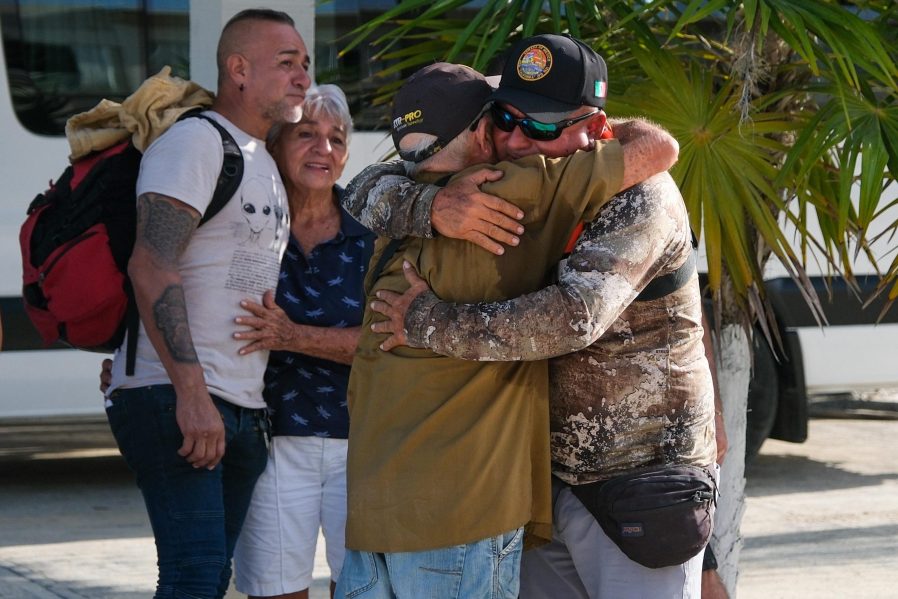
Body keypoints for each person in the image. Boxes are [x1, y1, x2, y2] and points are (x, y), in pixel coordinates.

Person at [348, 34, 716, 598]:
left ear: (596, 128)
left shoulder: (640, 195)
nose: (518, 140)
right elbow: (371, 183)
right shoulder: (503, 179)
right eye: (506, 118)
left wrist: (425, 322)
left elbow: (574, 317)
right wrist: (432, 205)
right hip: (542, 478)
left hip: (637, 477)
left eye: (542, 126)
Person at [102, 9, 309, 599]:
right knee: (192, 577)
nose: (302, 77)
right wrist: (191, 396)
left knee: (210, 578)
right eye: (286, 63)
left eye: (305, 64)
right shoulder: (196, 142)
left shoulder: (262, 156)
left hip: (240, 405)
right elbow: (150, 265)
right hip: (179, 397)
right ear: (238, 70)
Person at [231, 84, 374, 599]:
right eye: (307, 134)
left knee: (358, 589)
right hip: (270, 438)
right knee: (274, 590)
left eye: (337, 139)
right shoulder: (245, 223)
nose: (324, 149)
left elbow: (385, 342)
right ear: (274, 144)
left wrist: (291, 336)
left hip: (361, 440)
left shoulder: (371, 233)